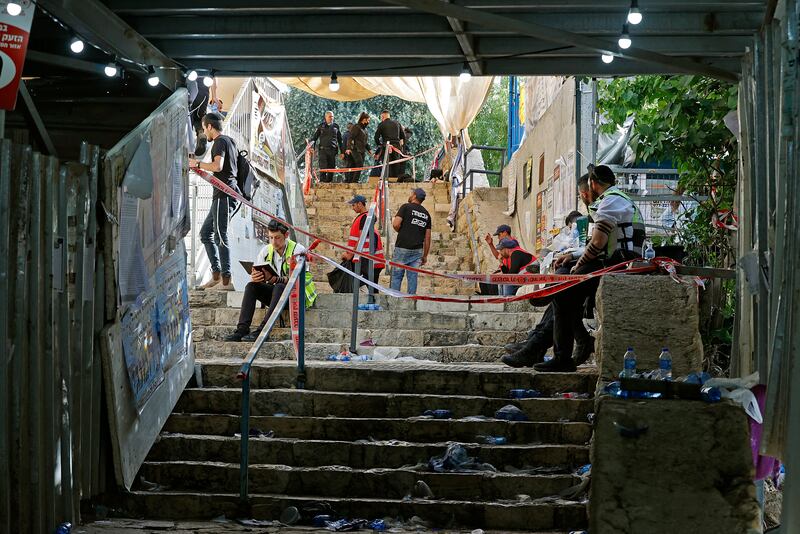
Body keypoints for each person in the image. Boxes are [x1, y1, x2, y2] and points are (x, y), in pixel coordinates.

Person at [535, 165, 646, 372]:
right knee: (565, 284)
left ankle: (562, 357)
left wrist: (577, 266)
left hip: (617, 266)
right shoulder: (618, 198)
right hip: (620, 262)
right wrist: (573, 257)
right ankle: (571, 341)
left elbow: (597, 244)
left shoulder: (610, 202)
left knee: (564, 291)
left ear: (593, 184)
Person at [501, 175, 593, 369]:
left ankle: (538, 346)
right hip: (591, 269)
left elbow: (598, 245)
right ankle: (538, 343)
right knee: (561, 292)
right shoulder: (607, 207)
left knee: (562, 293)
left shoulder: (606, 208)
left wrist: (575, 260)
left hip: (600, 271)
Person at [224, 220, 317, 342]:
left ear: (286, 235)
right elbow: (259, 277)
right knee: (251, 286)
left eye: (278, 238)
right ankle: (242, 329)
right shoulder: (266, 251)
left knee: (279, 286)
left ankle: (263, 331)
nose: (274, 242)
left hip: (297, 298)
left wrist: (275, 279)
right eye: (271, 238)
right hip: (277, 298)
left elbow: (299, 279)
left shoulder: (298, 250)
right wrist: (256, 277)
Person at [189, 112, 239, 291]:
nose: (204, 133)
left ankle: (226, 280)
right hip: (225, 194)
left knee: (220, 235)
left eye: (204, 128)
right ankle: (216, 275)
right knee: (205, 233)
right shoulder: (230, 141)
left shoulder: (219, 142)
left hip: (224, 195)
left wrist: (197, 164)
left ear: (210, 126)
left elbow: (217, 166)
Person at [391, 188, 431, 295]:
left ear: (414, 196)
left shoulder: (406, 207)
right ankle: (411, 301)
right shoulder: (426, 214)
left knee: (397, 276)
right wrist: (425, 255)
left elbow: (395, 224)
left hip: (402, 248)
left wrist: (402, 231)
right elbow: (427, 238)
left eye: (411, 193)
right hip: (417, 251)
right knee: (412, 277)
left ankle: (394, 300)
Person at [341, 194, 385, 284]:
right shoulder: (364, 217)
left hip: (367, 261)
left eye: (353, 205)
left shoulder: (365, 218)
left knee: (361, 286)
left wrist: (350, 255)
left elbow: (362, 238)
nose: (352, 208)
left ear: (360, 204)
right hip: (366, 259)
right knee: (369, 288)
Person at [188, 76, 218, 156]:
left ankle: (189, 152)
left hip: (188, 91)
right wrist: (214, 96)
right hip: (203, 94)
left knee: (189, 120)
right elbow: (214, 78)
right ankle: (201, 133)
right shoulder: (208, 64)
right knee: (200, 118)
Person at [311, 111, 343, 183]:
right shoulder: (321, 126)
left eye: (332, 116)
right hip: (323, 150)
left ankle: (328, 182)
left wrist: (342, 152)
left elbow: (340, 140)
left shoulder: (336, 126)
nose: (331, 118)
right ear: (325, 117)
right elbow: (314, 138)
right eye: (329, 117)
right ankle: (322, 182)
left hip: (332, 150)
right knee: (323, 166)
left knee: (331, 167)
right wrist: (312, 147)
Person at [374, 110, 406, 177]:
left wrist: (380, 145)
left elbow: (376, 137)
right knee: (396, 164)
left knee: (387, 165)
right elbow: (403, 136)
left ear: (382, 117)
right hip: (397, 147)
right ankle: (395, 181)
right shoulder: (397, 123)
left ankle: (387, 181)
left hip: (386, 146)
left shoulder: (381, 124)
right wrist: (401, 145)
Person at [345, 113, 370, 184]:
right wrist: (348, 148)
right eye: (368, 120)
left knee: (355, 165)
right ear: (364, 119)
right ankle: (354, 181)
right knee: (359, 164)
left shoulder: (365, 130)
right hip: (355, 149)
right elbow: (350, 137)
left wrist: (370, 150)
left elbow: (365, 142)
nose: (368, 122)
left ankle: (351, 181)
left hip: (362, 151)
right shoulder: (356, 127)